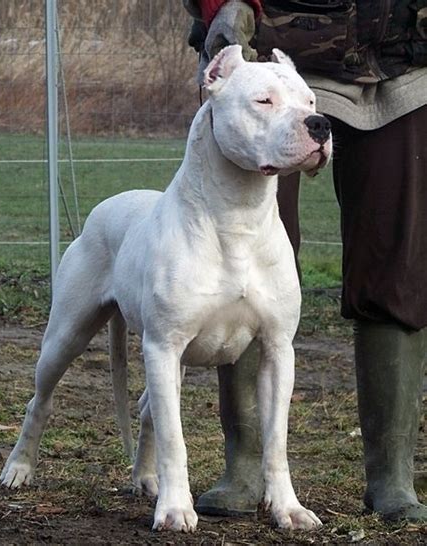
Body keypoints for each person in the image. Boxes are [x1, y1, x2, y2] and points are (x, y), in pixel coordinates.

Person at [183, 0, 427, 523]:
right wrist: (220, 5)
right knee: (239, 259)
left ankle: (391, 475)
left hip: (403, 61)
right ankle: (247, 464)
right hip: (270, 60)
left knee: (396, 264)